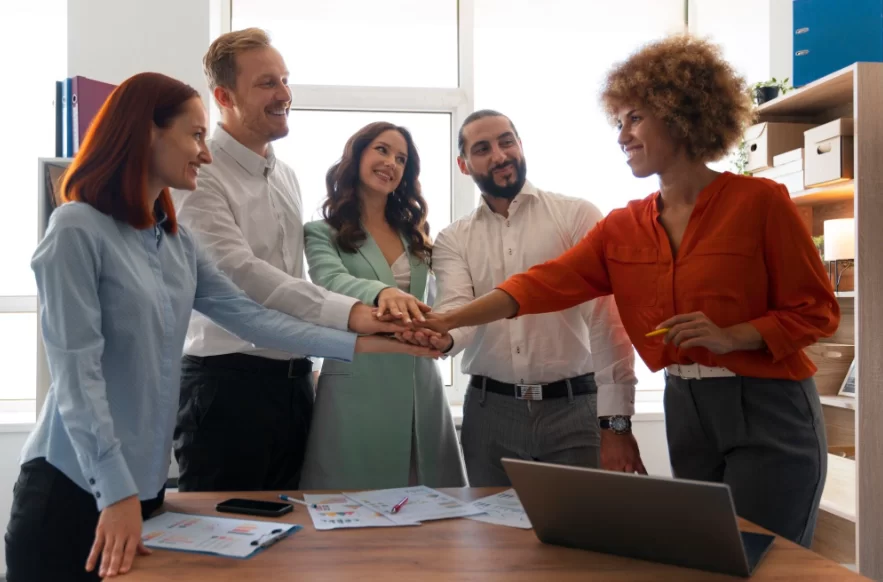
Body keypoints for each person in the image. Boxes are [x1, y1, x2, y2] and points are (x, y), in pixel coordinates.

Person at [4, 72, 435, 582]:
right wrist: (115, 492)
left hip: (142, 493)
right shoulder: (77, 227)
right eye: (195, 135)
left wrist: (368, 343)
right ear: (146, 132)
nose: (204, 154)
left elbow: (254, 319)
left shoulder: (177, 244)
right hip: (76, 487)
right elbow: (76, 375)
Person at [415, 35, 839, 547]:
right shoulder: (624, 226)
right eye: (619, 123)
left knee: (765, 558)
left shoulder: (760, 202)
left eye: (634, 119)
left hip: (768, 405)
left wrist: (737, 335)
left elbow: (817, 312)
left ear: (679, 113)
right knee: (710, 556)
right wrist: (445, 321)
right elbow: (537, 286)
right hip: (688, 407)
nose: (622, 136)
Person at [171, 29, 402, 492]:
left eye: (285, 79)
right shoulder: (200, 175)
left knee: (291, 543)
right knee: (223, 542)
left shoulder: (288, 177)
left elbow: (293, 279)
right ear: (224, 96)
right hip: (227, 387)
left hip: (293, 383)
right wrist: (355, 316)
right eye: (266, 83)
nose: (284, 94)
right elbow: (244, 276)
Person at [402, 110, 643, 487]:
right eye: (482, 148)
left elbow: (606, 322)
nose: (499, 155)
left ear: (521, 146)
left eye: (506, 141)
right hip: (489, 416)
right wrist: (443, 336)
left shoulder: (576, 215)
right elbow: (456, 311)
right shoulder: (454, 238)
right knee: (494, 542)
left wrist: (616, 424)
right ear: (464, 165)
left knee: (583, 535)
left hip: (576, 410)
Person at [299, 122, 467, 490]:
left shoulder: (416, 235)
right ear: (357, 155)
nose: (391, 162)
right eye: (382, 150)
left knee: (431, 515)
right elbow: (329, 281)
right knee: (350, 516)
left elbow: (439, 303)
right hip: (356, 385)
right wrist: (381, 292)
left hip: (420, 385)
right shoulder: (320, 232)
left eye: (401, 158)